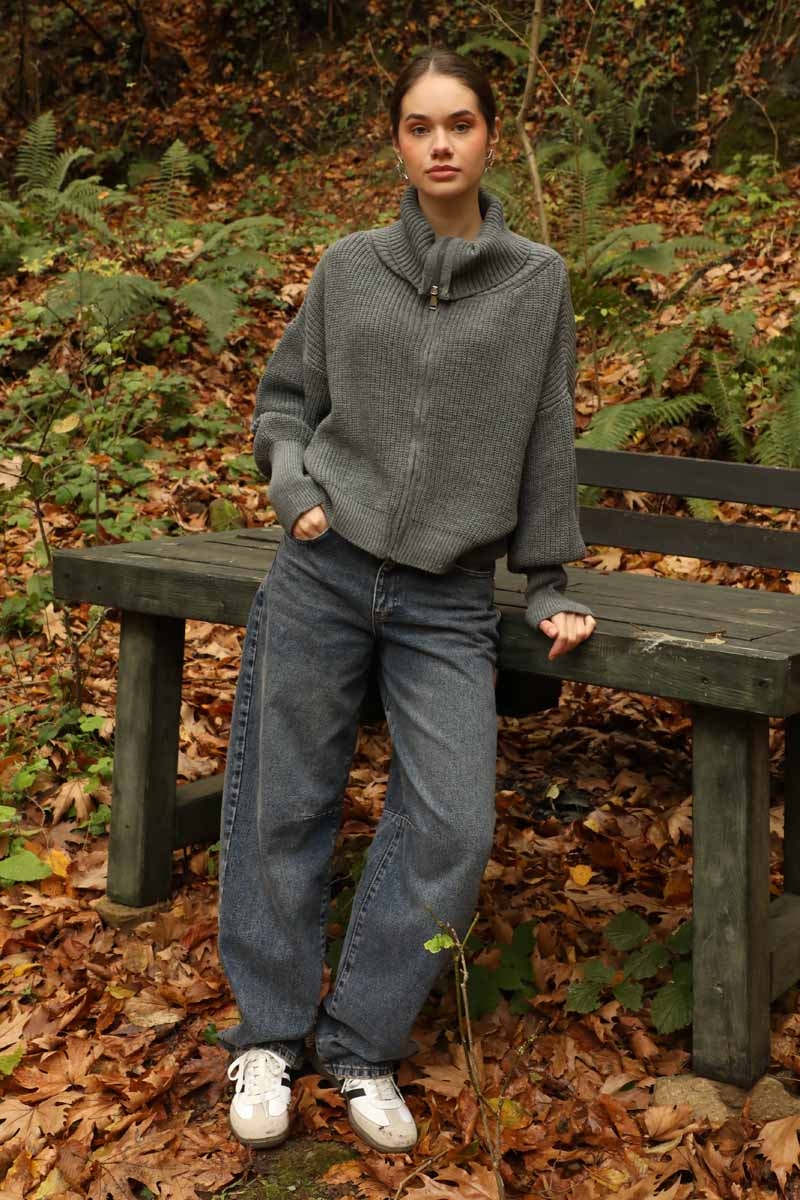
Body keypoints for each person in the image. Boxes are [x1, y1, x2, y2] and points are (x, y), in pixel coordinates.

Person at [216, 46, 597, 1156]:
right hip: (323, 571)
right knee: (284, 802)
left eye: (459, 123)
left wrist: (549, 581)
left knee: (453, 824)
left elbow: (547, 435)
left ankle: (363, 1044)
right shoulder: (349, 267)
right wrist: (294, 490)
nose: (440, 144)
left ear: (489, 137)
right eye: (420, 126)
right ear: (396, 142)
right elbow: (284, 403)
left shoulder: (536, 283)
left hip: (447, 599)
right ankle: (268, 1036)